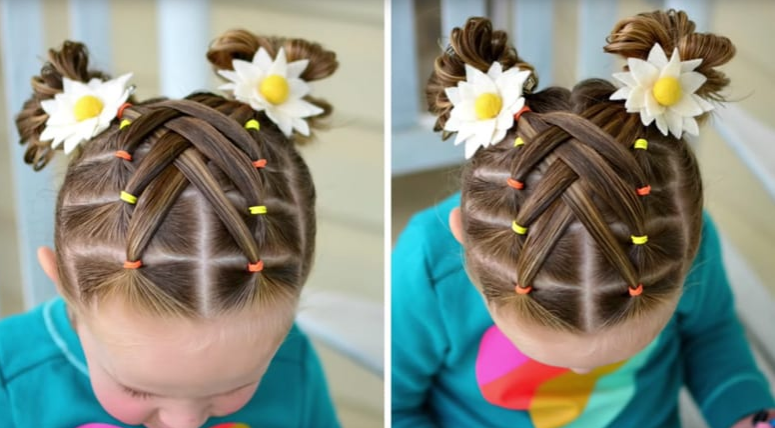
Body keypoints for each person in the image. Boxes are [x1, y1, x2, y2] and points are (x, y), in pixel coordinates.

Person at [392, 11, 775, 428]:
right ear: (463, 240)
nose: (581, 373)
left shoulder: (672, 233)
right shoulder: (428, 269)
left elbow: (709, 335)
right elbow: (397, 407)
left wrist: (744, 413)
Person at [0, 28, 341, 428]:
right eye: (137, 390)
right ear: (62, 281)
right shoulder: (10, 373)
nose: (184, 424)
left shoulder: (292, 360)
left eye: (232, 388)